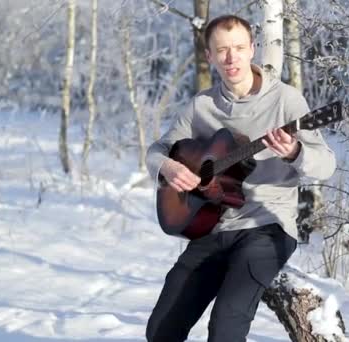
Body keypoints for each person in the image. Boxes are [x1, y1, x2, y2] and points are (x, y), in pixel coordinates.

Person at [144, 14, 336, 342]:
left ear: (252, 49)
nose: (231, 57)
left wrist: (294, 153)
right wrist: (168, 167)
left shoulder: (285, 100)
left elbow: (326, 166)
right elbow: (157, 150)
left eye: (238, 47)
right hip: (212, 227)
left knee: (225, 329)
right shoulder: (202, 105)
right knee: (161, 330)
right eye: (221, 50)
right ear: (209, 56)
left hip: (267, 228)